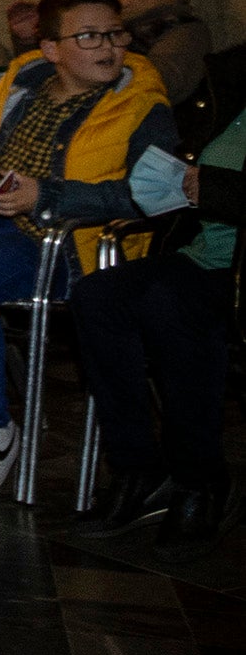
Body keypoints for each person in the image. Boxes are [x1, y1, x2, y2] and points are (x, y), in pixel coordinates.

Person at [0, 0, 182, 497]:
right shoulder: (19, 84)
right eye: (88, 37)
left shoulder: (142, 105)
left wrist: (51, 195)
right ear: (51, 50)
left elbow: (154, 197)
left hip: (61, 241)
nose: (108, 47)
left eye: (114, 33)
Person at [71, 114, 236, 542]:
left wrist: (217, 190)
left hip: (235, 275)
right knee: (98, 297)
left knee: (172, 305)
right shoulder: (231, 88)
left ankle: (201, 479)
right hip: (204, 256)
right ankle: (136, 466)